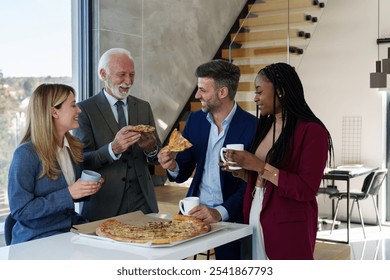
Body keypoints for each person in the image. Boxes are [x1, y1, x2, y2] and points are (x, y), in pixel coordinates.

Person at [222, 62, 334, 260]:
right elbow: (267, 184)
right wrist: (245, 172)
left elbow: (306, 189)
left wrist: (258, 165)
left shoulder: (313, 132)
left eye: (259, 92)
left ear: (280, 91)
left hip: (288, 227)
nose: (255, 98)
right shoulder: (266, 127)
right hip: (256, 215)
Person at [157, 59, 257, 260]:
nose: (197, 95)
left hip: (232, 217)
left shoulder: (253, 126)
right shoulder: (196, 120)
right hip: (191, 213)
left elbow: (251, 183)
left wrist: (220, 212)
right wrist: (173, 165)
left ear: (222, 92)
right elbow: (183, 169)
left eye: (203, 89)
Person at [73, 48, 161, 221]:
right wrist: (112, 149)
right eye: (122, 74)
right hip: (104, 204)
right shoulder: (84, 110)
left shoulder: (143, 107)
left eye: (132, 74)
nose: (128, 81)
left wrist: (151, 149)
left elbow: (157, 156)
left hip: (143, 203)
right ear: (103, 74)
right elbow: (81, 161)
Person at [8, 84, 103, 244]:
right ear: (54, 112)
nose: (79, 110)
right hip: (37, 241)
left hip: (70, 233)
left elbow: (71, 194)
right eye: (73, 105)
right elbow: (20, 210)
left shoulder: (73, 146)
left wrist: (86, 189)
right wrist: (69, 193)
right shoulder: (25, 155)